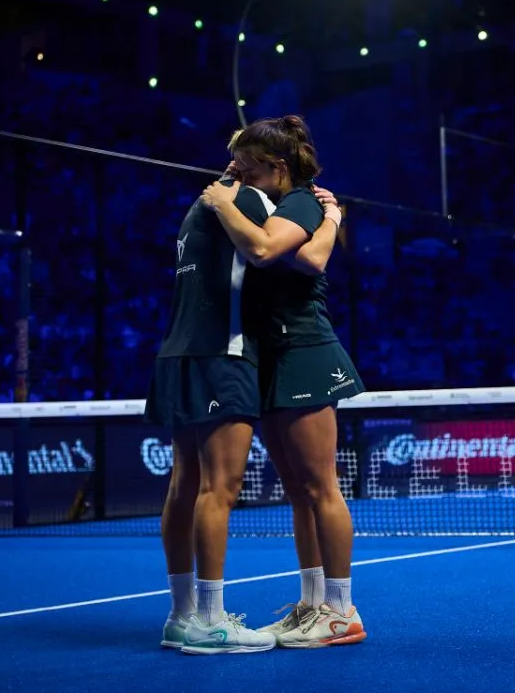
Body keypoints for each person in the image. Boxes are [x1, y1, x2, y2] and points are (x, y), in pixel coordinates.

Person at [146, 151, 342, 655]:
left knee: (184, 483)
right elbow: (273, 251)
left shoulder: (195, 209)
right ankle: (212, 622)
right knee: (220, 488)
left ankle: (182, 615)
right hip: (225, 353)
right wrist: (330, 218)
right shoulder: (250, 200)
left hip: (177, 353)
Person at [200, 115, 367, 649]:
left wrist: (224, 204)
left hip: (305, 351)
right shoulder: (276, 200)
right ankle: (313, 604)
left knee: (320, 487)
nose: (237, 173)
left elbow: (270, 252)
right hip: (270, 356)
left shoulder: (300, 203)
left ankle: (341, 610)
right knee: (298, 493)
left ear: (277, 167)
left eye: (248, 167)